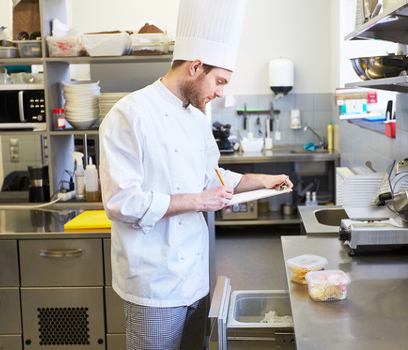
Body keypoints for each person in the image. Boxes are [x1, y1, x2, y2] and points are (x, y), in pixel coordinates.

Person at [98, 0, 293, 349]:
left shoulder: (198, 117)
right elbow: (120, 202)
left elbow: (210, 177)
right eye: (219, 81)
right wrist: (198, 201)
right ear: (196, 66)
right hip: (153, 284)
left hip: (195, 279)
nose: (220, 92)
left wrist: (262, 181)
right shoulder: (129, 114)